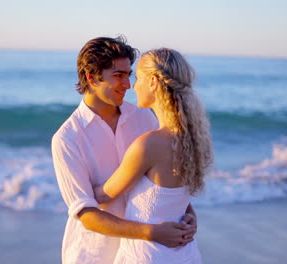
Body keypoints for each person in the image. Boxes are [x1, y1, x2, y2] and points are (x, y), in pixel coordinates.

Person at [51, 37, 197, 264]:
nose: (128, 85)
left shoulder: (144, 117)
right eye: (118, 76)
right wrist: (152, 232)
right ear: (91, 77)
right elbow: (86, 215)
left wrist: (188, 213)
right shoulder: (68, 138)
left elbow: (164, 175)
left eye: (129, 75)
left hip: (144, 253)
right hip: (95, 254)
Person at [93, 48, 213, 263]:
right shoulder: (193, 139)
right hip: (185, 254)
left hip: (149, 256)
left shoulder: (149, 144)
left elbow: (104, 195)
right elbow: (175, 198)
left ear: (153, 82)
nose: (133, 86)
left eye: (138, 77)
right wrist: (191, 217)